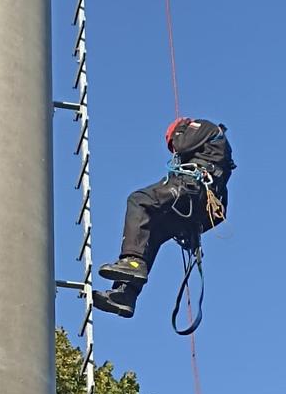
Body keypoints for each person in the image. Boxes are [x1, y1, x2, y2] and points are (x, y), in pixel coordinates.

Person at [93, 117, 235, 318]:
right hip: (199, 206)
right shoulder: (212, 146)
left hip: (194, 188)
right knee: (152, 232)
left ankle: (132, 262)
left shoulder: (203, 127)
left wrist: (179, 131)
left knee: (140, 200)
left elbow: (182, 144)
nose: (174, 151)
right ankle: (126, 293)